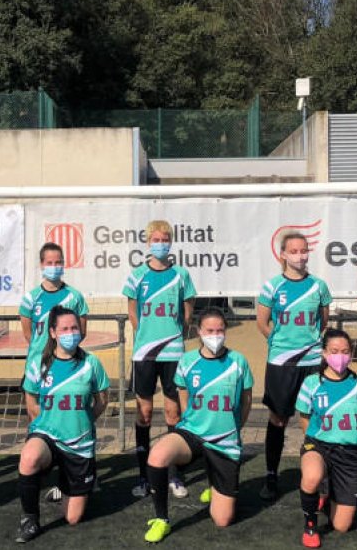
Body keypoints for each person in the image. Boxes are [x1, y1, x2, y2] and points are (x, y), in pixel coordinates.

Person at [143, 309, 253, 543]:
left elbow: (246, 402)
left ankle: (216, 488)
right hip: (193, 434)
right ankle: (162, 519)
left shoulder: (238, 361)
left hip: (225, 441)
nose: (215, 335)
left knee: (222, 520)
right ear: (199, 331)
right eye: (210, 330)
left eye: (220, 330)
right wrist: (194, 425)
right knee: (157, 455)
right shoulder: (187, 361)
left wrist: (232, 430)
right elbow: (185, 403)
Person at [14, 307, 110, 543]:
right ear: (53, 333)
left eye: (74, 328)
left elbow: (101, 401)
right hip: (48, 436)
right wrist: (46, 425)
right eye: (65, 329)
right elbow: (32, 403)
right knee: (29, 456)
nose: (71, 333)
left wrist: (81, 422)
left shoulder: (92, 363)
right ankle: (30, 520)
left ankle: (67, 484)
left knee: (73, 517)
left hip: (79, 443)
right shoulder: (39, 363)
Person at [123, 220, 197, 499]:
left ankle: (174, 475)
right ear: (148, 242)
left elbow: (187, 311)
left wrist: (172, 334)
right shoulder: (137, 275)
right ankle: (144, 477)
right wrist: (145, 335)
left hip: (173, 353)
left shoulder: (181, 274)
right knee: (143, 414)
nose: (161, 243)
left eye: (165, 238)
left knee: (173, 414)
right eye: (156, 239)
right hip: (144, 353)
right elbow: (132, 311)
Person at [257, 231, 332, 499]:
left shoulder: (319, 286)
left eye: (304, 251)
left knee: (313, 419)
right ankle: (271, 475)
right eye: (295, 251)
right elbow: (262, 323)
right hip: (281, 362)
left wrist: (308, 345)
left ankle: (319, 475)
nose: (300, 256)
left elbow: (322, 322)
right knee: (278, 418)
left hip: (312, 361)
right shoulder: (272, 286)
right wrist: (282, 346)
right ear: (284, 255)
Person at [295, 328, 357, 548]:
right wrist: (313, 440)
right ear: (324, 353)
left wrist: (350, 434)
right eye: (334, 351)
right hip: (318, 446)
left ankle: (328, 494)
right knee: (311, 476)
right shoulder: (312, 383)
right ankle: (310, 525)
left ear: (351, 354)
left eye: (345, 351)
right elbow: (304, 417)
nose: (340, 356)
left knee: (342, 525)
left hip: (349, 453)